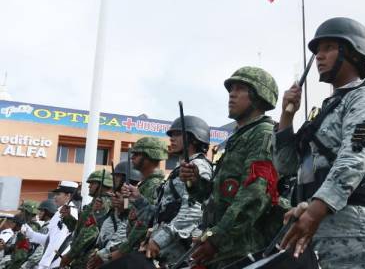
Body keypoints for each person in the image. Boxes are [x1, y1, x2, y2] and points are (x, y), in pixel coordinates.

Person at [276, 17, 365, 268]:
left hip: (354, 231)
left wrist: (314, 212)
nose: (319, 56)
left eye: (328, 48)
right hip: (318, 225)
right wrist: (287, 116)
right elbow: (286, 166)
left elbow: (354, 161)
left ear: (353, 53)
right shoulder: (327, 109)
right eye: (317, 50)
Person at [179, 66, 286, 269]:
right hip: (225, 252)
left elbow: (255, 194)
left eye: (239, 89)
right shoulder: (238, 137)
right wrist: (195, 181)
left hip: (245, 251)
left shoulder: (262, 134)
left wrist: (216, 238)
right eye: (230, 90)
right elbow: (220, 197)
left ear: (258, 95)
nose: (231, 95)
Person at [134, 115, 213, 267]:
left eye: (177, 134)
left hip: (184, 258)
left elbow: (193, 213)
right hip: (169, 258)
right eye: (171, 135)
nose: (172, 138)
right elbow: (161, 216)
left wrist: (159, 240)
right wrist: (138, 200)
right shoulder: (179, 170)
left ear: (194, 139)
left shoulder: (198, 166)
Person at [105, 137, 167, 265]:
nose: (132, 157)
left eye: (137, 154)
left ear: (149, 156)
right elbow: (136, 217)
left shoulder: (154, 185)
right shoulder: (145, 185)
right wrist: (123, 209)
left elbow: (144, 225)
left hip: (144, 254)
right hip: (135, 251)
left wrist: (121, 251)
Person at [87, 162, 141, 269]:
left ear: (125, 179)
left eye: (117, 176)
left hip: (117, 257)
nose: (114, 179)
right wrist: (98, 213)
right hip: (107, 253)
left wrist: (102, 255)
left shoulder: (132, 200)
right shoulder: (116, 199)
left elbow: (124, 232)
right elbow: (104, 228)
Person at [59, 170, 113, 269]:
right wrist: (68, 217)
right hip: (82, 256)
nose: (89, 186)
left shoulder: (103, 203)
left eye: (93, 183)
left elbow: (90, 233)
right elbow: (80, 230)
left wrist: (70, 255)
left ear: (103, 184)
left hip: (90, 256)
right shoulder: (93, 204)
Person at [22, 181, 80, 269]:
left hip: (56, 261)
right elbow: (50, 239)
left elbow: (59, 241)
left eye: (58, 194)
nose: (55, 197)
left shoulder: (70, 213)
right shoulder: (60, 212)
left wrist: (47, 264)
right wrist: (31, 234)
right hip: (51, 261)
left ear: (68, 196)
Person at [21, 200, 56, 269]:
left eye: (41, 211)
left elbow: (40, 250)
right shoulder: (48, 225)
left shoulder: (48, 227)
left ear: (47, 213)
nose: (38, 213)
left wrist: (26, 266)